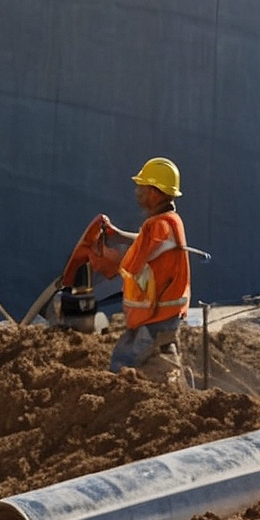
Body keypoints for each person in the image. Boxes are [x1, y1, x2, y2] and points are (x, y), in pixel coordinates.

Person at [95, 158, 189, 376]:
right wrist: (117, 235)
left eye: (142, 187)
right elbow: (144, 243)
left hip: (157, 313)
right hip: (163, 312)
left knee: (124, 361)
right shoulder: (166, 221)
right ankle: (169, 376)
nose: (137, 192)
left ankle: (162, 384)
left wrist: (109, 257)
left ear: (155, 193)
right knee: (150, 352)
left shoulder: (160, 226)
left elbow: (134, 263)